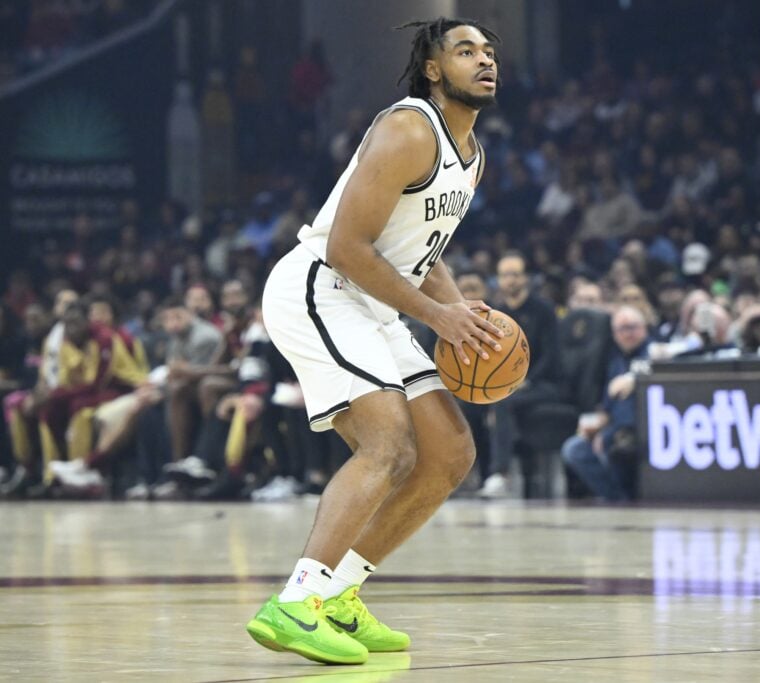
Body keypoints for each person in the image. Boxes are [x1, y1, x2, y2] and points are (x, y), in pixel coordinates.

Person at [249, 17, 505, 666]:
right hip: (321, 287)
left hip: (373, 304)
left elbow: (420, 252)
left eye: (489, 52)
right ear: (432, 68)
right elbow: (345, 247)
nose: (484, 60)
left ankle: (339, 594)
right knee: (387, 442)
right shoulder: (407, 129)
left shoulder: (471, 158)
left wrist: (459, 313)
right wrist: (436, 318)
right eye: (466, 50)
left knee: (448, 452)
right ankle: (297, 600)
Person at [480, 252, 560, 498]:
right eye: (505, 275)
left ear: (526, 278)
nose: (510, 280)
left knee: (502, 403)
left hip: (545, 383)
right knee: (472, 403)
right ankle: (475, 475)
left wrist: (525, 381)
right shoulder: (497, 313)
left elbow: (551, 356)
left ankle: (500, 474)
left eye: (515, 274)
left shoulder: (543, 310)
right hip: (508, 386)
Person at [561, 305, 650, 501]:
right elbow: (607, 407)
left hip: (642, 429)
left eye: (632, 327)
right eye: (621, 329)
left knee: (617, 445)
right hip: (613, 427)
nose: (627, 334)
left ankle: (627, 497)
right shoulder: (614, 359)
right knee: (574, 448)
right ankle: (616, 498)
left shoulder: (653, 352)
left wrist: (634, 378)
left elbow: (663, 361)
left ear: (644, 328)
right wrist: (595, 426)